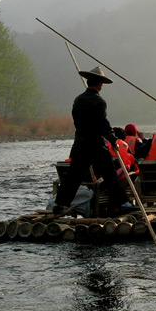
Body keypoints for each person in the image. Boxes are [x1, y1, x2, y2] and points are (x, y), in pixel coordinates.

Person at [53, 66, 133, 214]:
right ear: (99, 84)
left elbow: (77, 121)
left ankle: (60, 204)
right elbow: (102, 123)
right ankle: (123, 203)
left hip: (80, 142)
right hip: (95, 144)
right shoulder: (99, 102)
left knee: (73, 176)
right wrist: (113, 139)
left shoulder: (78, 99)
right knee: (110, 175)